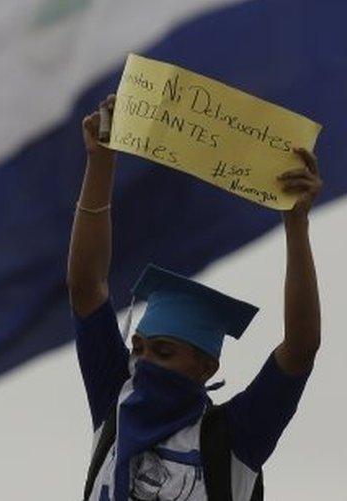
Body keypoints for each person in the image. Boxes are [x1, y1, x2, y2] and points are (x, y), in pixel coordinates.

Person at [69, 95, 321, 500]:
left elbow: (300, 349)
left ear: (206, 366)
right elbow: (86, 288)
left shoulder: (235, 439)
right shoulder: (115, 404)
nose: (144, 363)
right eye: (139, 349)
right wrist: (100, 162)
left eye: (164, 353)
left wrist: (296, 224)